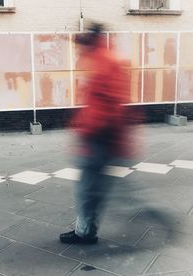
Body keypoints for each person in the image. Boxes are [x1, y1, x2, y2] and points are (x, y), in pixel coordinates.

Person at [59, 23, 137, 244]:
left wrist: (88, 132)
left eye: (82, 46)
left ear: (91, 42)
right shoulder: (105, 59)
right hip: (104, 138)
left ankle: (85, 232)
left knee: (87, 190)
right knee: (94, 189)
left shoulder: (103, 63)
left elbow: (107, 105)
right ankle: (87, 229)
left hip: (99, 139)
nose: (78, 52)